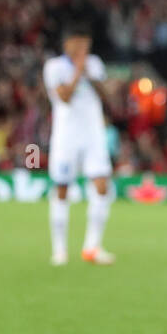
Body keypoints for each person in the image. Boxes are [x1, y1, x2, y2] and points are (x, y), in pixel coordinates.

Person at [43, 30, 117, 265]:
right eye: (81, 44)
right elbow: (64, 97)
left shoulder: (94, 64)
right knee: (62, 188)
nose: (85, 49)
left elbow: (106, 96)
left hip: (93, 135)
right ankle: (60, 250)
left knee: (102, 185)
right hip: (66, 137)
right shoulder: (54, 67)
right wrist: (77, 71)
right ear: (68, 43)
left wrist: (91, 75)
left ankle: (92, 248)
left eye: (88, 44)